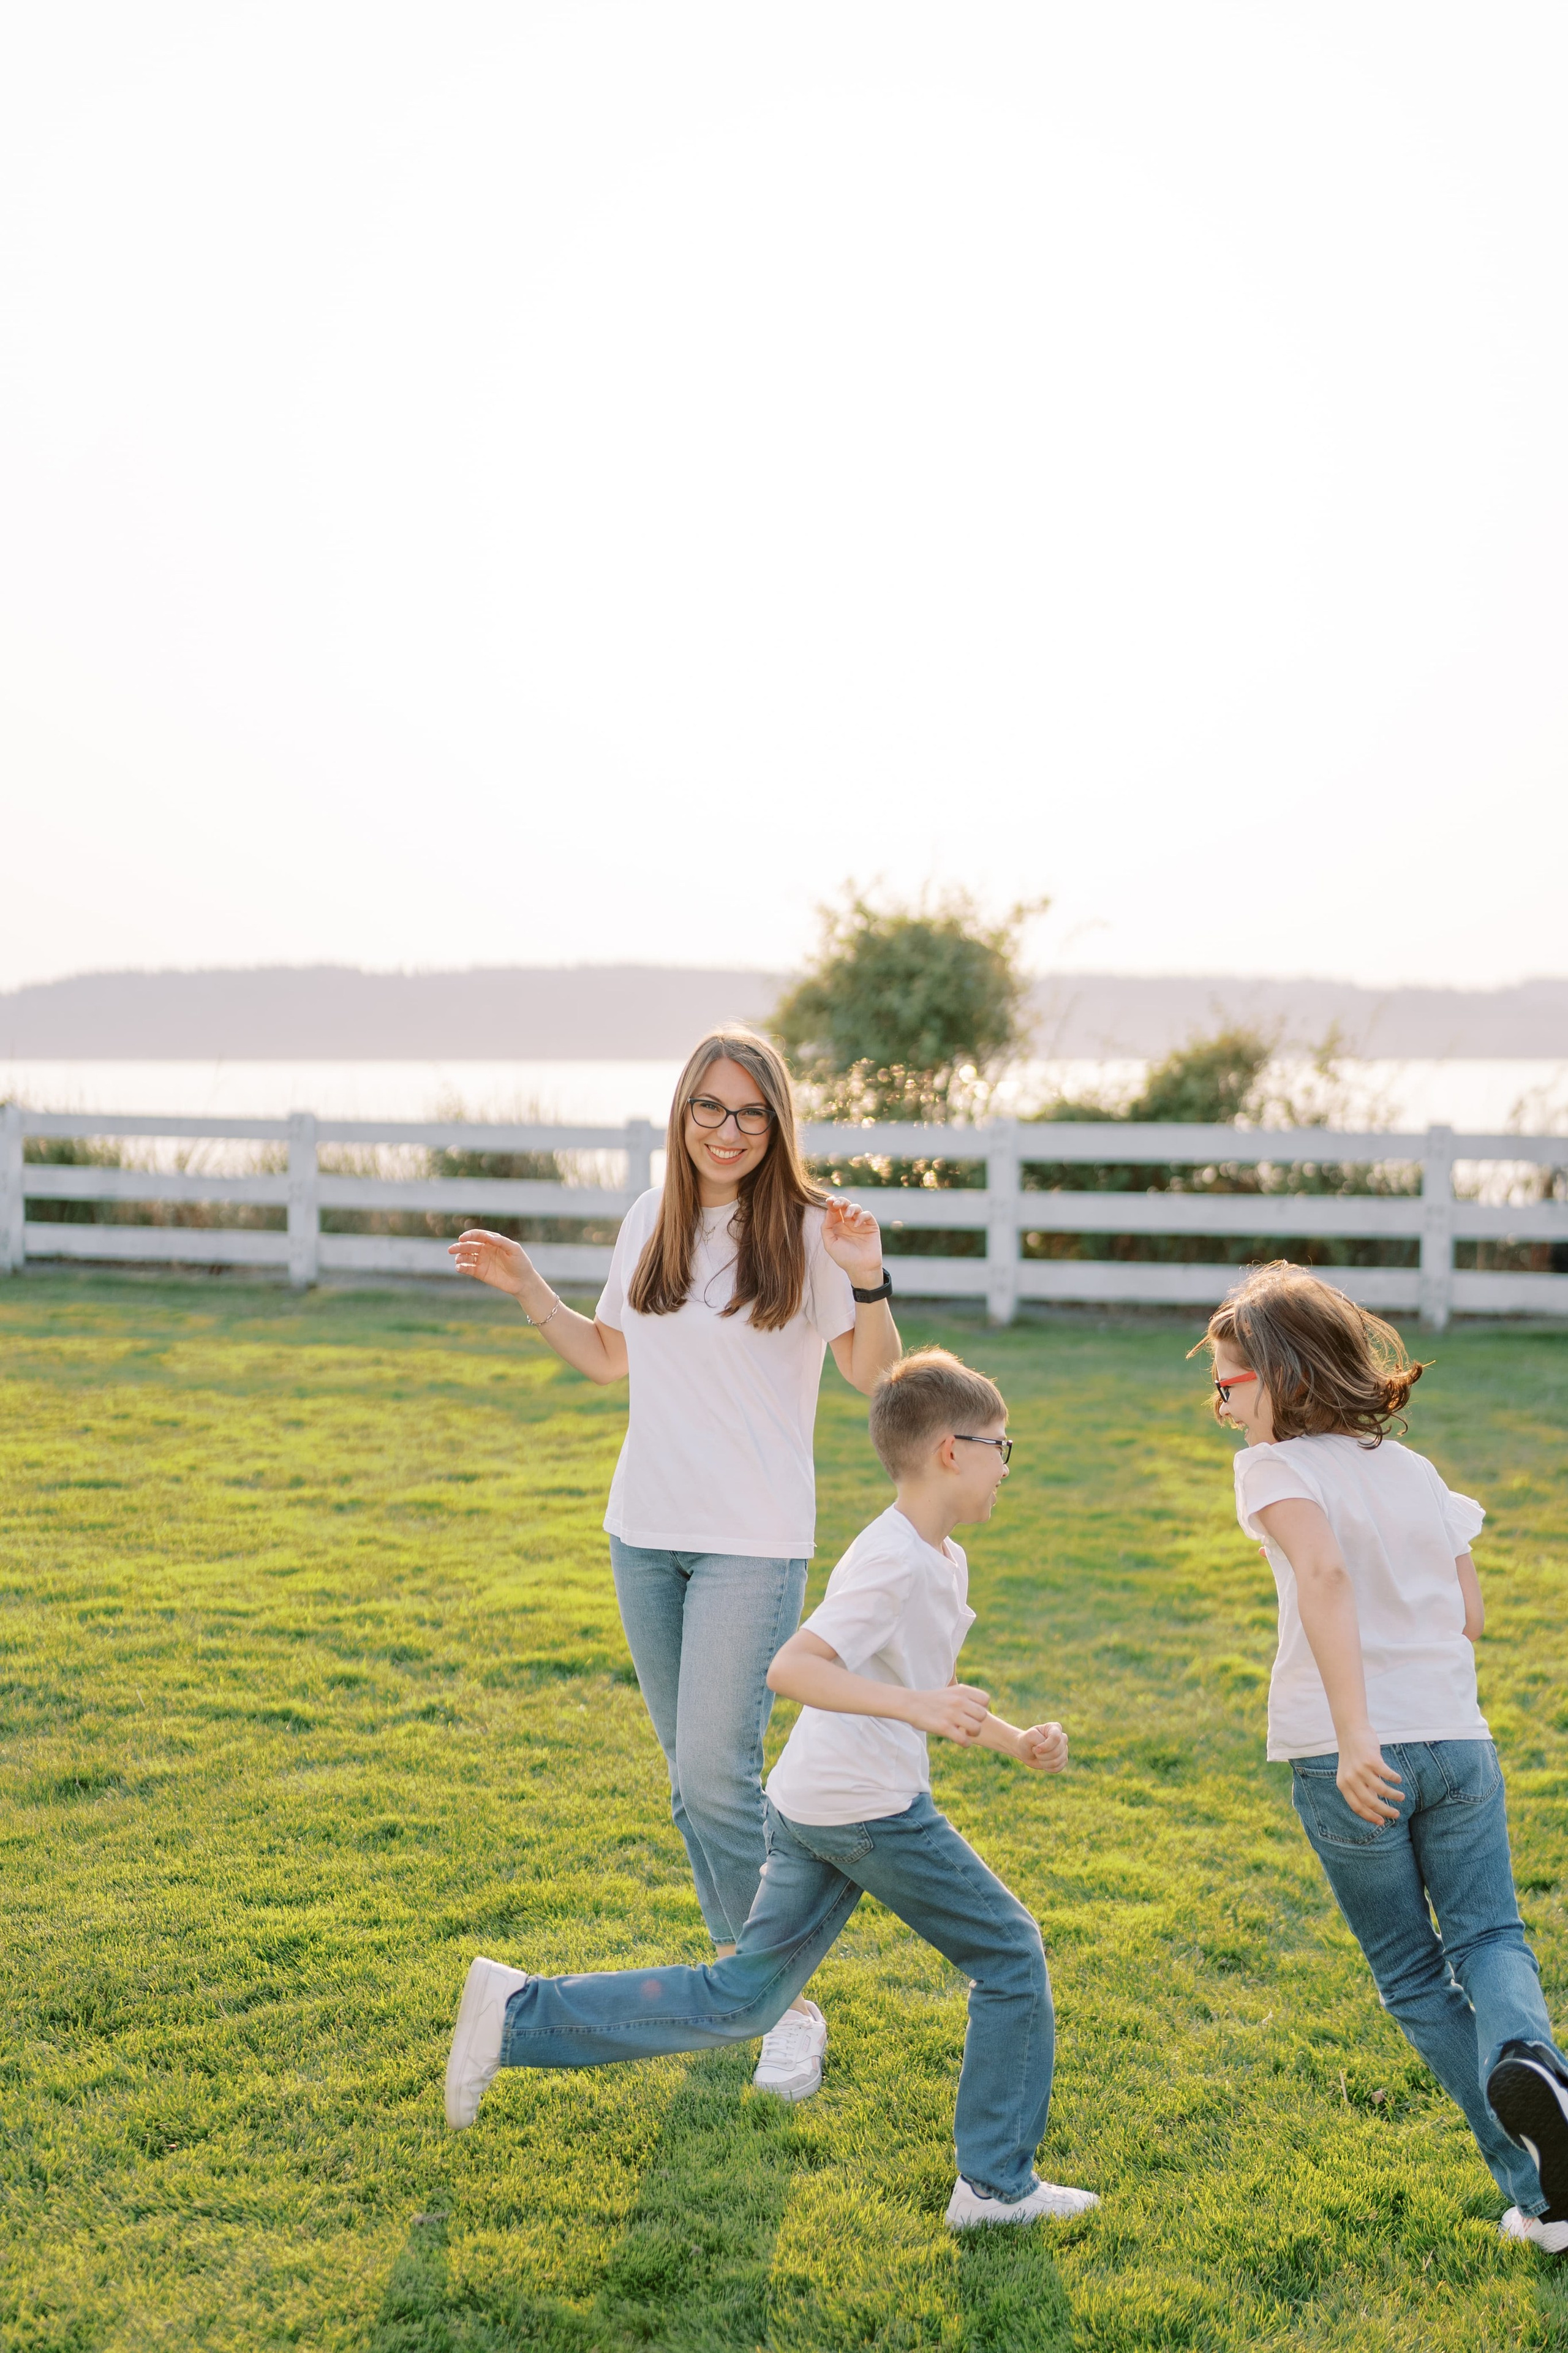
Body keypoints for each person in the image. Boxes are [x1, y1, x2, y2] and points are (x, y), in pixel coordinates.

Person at [443, 1346, 1099, 2230]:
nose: (1007, 1466)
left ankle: (515, 2013)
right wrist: (917, 1706)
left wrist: (1017, 1742)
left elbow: (924, 1688)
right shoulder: (893, 1560)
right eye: (1001, 1447)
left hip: (816, 1804)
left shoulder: (940, 1559)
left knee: (745, 1997)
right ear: (953, 1450)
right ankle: (994, 2187)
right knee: (1012, 1955)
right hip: (867, 1811)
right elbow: (794, 1668)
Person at [447, 1027, 900, 2094]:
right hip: (644, 1534)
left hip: (754, 1539)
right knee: (693, 1788)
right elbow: (612, 1355)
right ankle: (752, 1987)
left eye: (750, 1113)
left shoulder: (807, 1229)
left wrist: (870, 1276)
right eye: (710, 1108)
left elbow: (875, 1376)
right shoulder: (650, 1217)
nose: (727, 1131)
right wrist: (530, 1289)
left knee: (714, 1773)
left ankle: (781, 2004)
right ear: (683, 1112)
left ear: (776, 1123)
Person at [1194, 1261, 1568, 2254]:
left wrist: (1357, 1733)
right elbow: (1471, 1614)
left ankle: (1541, 2192)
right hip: (1459, 1737)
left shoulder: (1275, 1468)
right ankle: (1534, 2061)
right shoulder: (1416, 1470)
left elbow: (1322, 1571)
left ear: (1282, 1378)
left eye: (1229, 1385)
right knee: (1492, 1934)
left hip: (1348, 1751)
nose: (1222, 1406)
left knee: (1411, 1974)